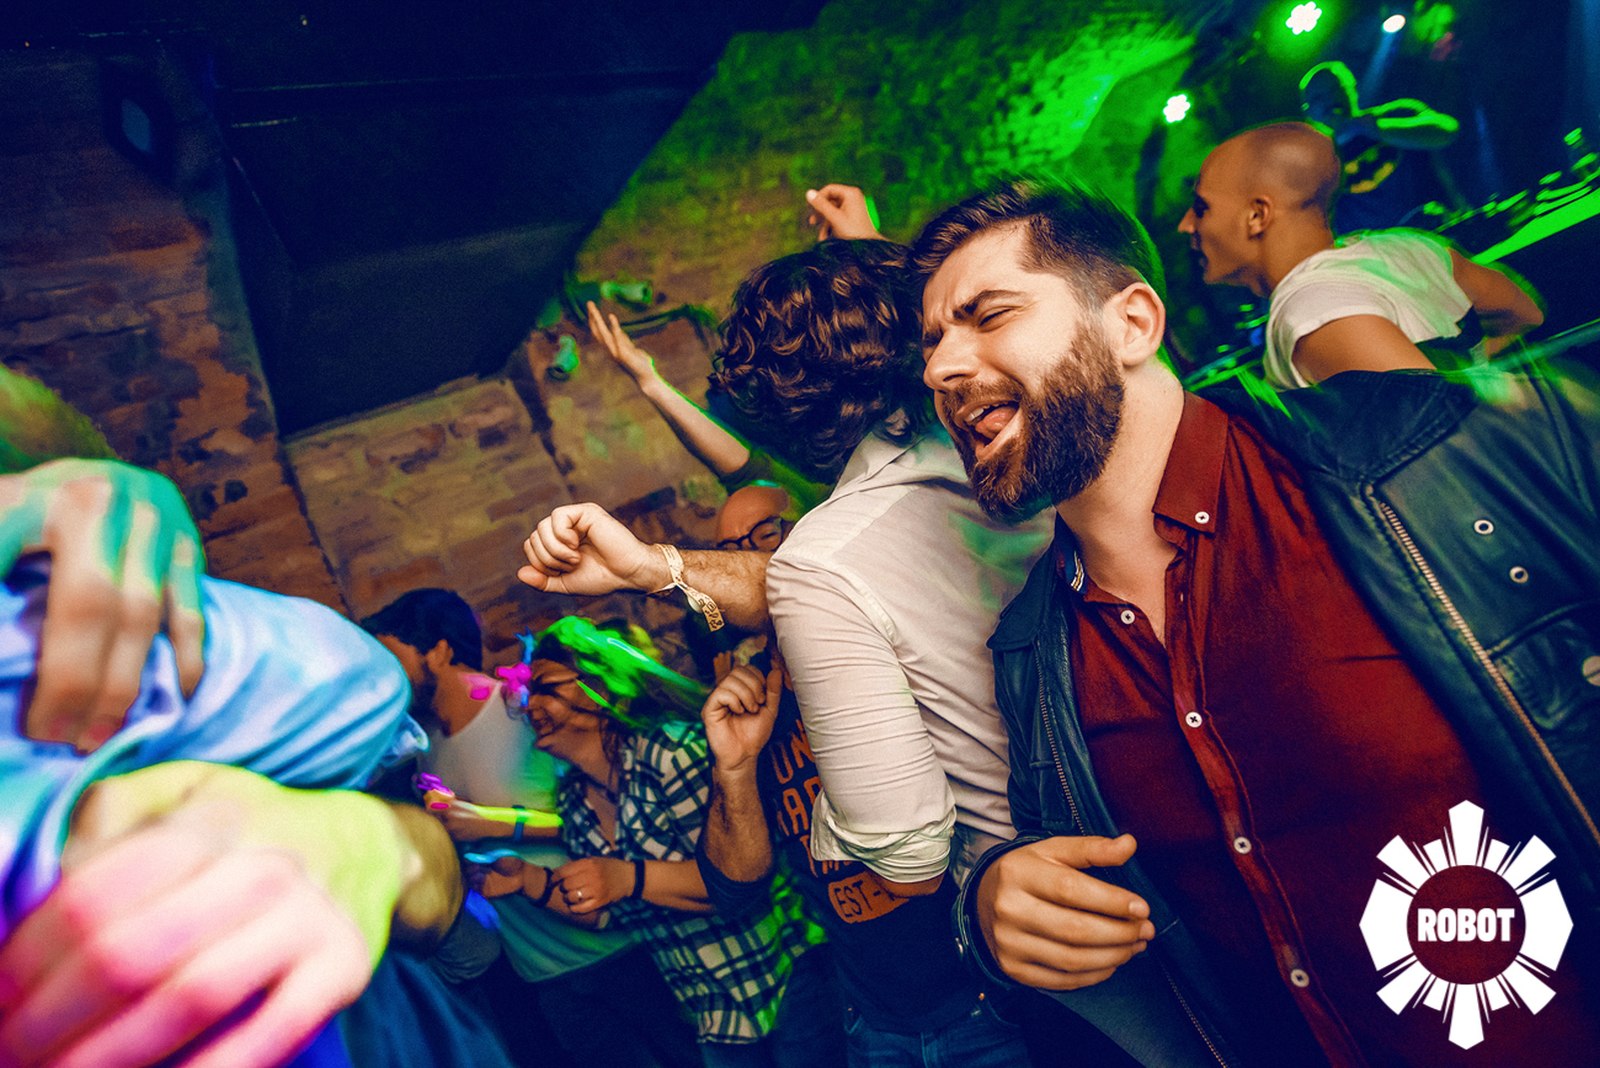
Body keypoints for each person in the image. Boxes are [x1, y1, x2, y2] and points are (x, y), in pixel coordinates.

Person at [918, 177, 1600, 1065]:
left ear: (1132, 324)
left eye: (988, 315)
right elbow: (1092, 915)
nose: (940, 368)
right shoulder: (1032, 654)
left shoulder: (1431, 454)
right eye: (933, 340)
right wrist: (988, 907)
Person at [0, 368, 508, 1068]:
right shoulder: (391, 729)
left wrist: (382, 841)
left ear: (438, 649)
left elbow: (437, 849)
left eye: (390, 640)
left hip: (474, 956)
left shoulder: (467, 708)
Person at [521, 223, 1052, 891]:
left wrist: (841, 806)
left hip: (1018, 887)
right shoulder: (1025, 438)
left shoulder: (825, 558)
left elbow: (907, 862)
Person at [695, 496, 1033, 1067]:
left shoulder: (894, 644)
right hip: (873, 1024)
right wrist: (735, 768)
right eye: (727, 549)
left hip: (992, 1002)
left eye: (766, 533)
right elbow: (734, 890)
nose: (746, 558)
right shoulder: (750, 701)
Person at [362, 590, 699, 1068]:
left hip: (616, 947)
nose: (381, 675)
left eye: (390, 656)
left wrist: (497, 823)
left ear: (437, 650)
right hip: (540, 970)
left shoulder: (521, 708)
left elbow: (616, 814)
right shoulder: (424, 748)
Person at [481, 616, 832, 1067]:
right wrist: (530, 881)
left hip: (789, 985)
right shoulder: (573, 803)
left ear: (603, 687)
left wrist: (626, 877)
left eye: (546, 687)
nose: (532, 705)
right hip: (714, 1018)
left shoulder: (672, 755)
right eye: (528, 693)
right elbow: (615, 915)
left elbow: (739, 885)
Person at [1178, 122, 1543, 389]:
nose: (1186, 225)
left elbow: (1438, 434)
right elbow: (1525, 314)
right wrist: (1473, 376)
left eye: (1202, 208)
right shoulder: (1407, 248)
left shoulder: (1313, 310)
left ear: (1258, 215)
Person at [1297, 59, 1460, 232]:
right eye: (1318, 98)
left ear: (1352, 87)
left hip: (1440, 229)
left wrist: (1374, 129)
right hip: (1378, 248)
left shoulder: (1398, 112)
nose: (1330, 100)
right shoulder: (1315, 168)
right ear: (1308, 112)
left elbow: (1447, 131)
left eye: (1335, 88)